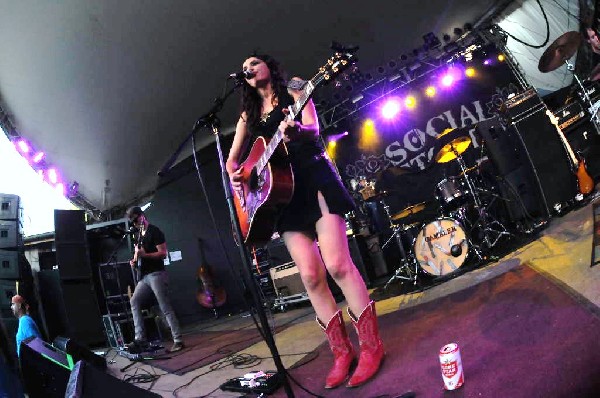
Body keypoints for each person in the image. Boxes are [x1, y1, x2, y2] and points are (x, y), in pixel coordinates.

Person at [226, 54, 385, 389]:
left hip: (313, 179)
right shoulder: (246, 117)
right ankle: (342, 353)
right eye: (245, 67)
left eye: (254, 62)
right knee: (311, 277)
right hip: (282, 198)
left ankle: (371, 347)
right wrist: (241, 178)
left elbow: (313, 129)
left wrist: (296, 131)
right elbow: (231, 165)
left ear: (269, 65)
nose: (249, 68)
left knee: (339, 265)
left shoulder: (296, 87)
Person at [126, 206, 184, 353]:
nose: (135, 224)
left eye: (136, 219)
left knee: (164, 306)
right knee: (134, 301)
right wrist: (134, 261)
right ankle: (140, 339)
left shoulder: (154, 231)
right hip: (144, 276)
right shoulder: (138, 236)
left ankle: (178, 340)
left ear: (142, 216)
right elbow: (137, 255)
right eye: (132, 222)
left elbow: (163, 253)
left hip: (156, 274)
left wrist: (145, 255)